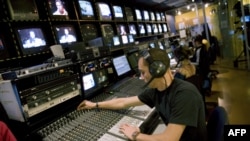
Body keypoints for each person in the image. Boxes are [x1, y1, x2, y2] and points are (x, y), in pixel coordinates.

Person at [77, 48, 207, 141]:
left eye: (143, 72)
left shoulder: (185, 94)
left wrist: (135, 135)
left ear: (157, 70)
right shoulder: (156, 90)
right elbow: (123, 102)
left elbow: (169, 138)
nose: (140, 77)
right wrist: (95, 104)